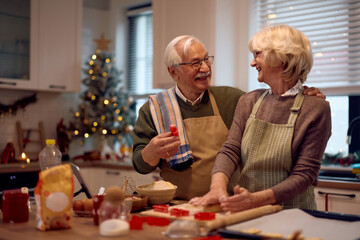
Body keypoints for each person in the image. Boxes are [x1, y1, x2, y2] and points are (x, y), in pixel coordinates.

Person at [132, 34, 325, 201]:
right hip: (178, 205)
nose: (205, 67)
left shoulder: (232, 98)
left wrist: (302, 97)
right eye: (194, 63)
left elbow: (276, 105)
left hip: (228, 202)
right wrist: (151, 151)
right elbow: (140, 165)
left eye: (206, 59)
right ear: (173, 71)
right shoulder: (155, 109)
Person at [189, 25, 331, 211]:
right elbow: (230, 149)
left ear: (280, 57)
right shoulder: (249, 101)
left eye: (257, 54)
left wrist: (257, 200)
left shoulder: (315, 108)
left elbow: (305, 174)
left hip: (294, 213)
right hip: (249, 211)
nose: (252, 62)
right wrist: (217, 188)